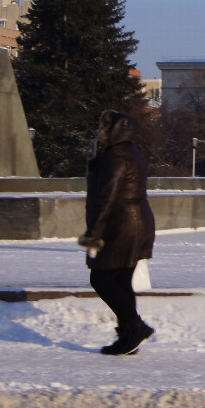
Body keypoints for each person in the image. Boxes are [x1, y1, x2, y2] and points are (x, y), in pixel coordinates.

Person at [77, 110, 156, 355]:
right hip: (138, 220)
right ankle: (128, 336)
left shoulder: (115, 155)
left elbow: (105, 197)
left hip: (120, 224)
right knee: (121, 281)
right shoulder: (133, 151)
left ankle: (135, 327)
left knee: (101, 279)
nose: (101, 132)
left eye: (104, 127)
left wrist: (94, 234)